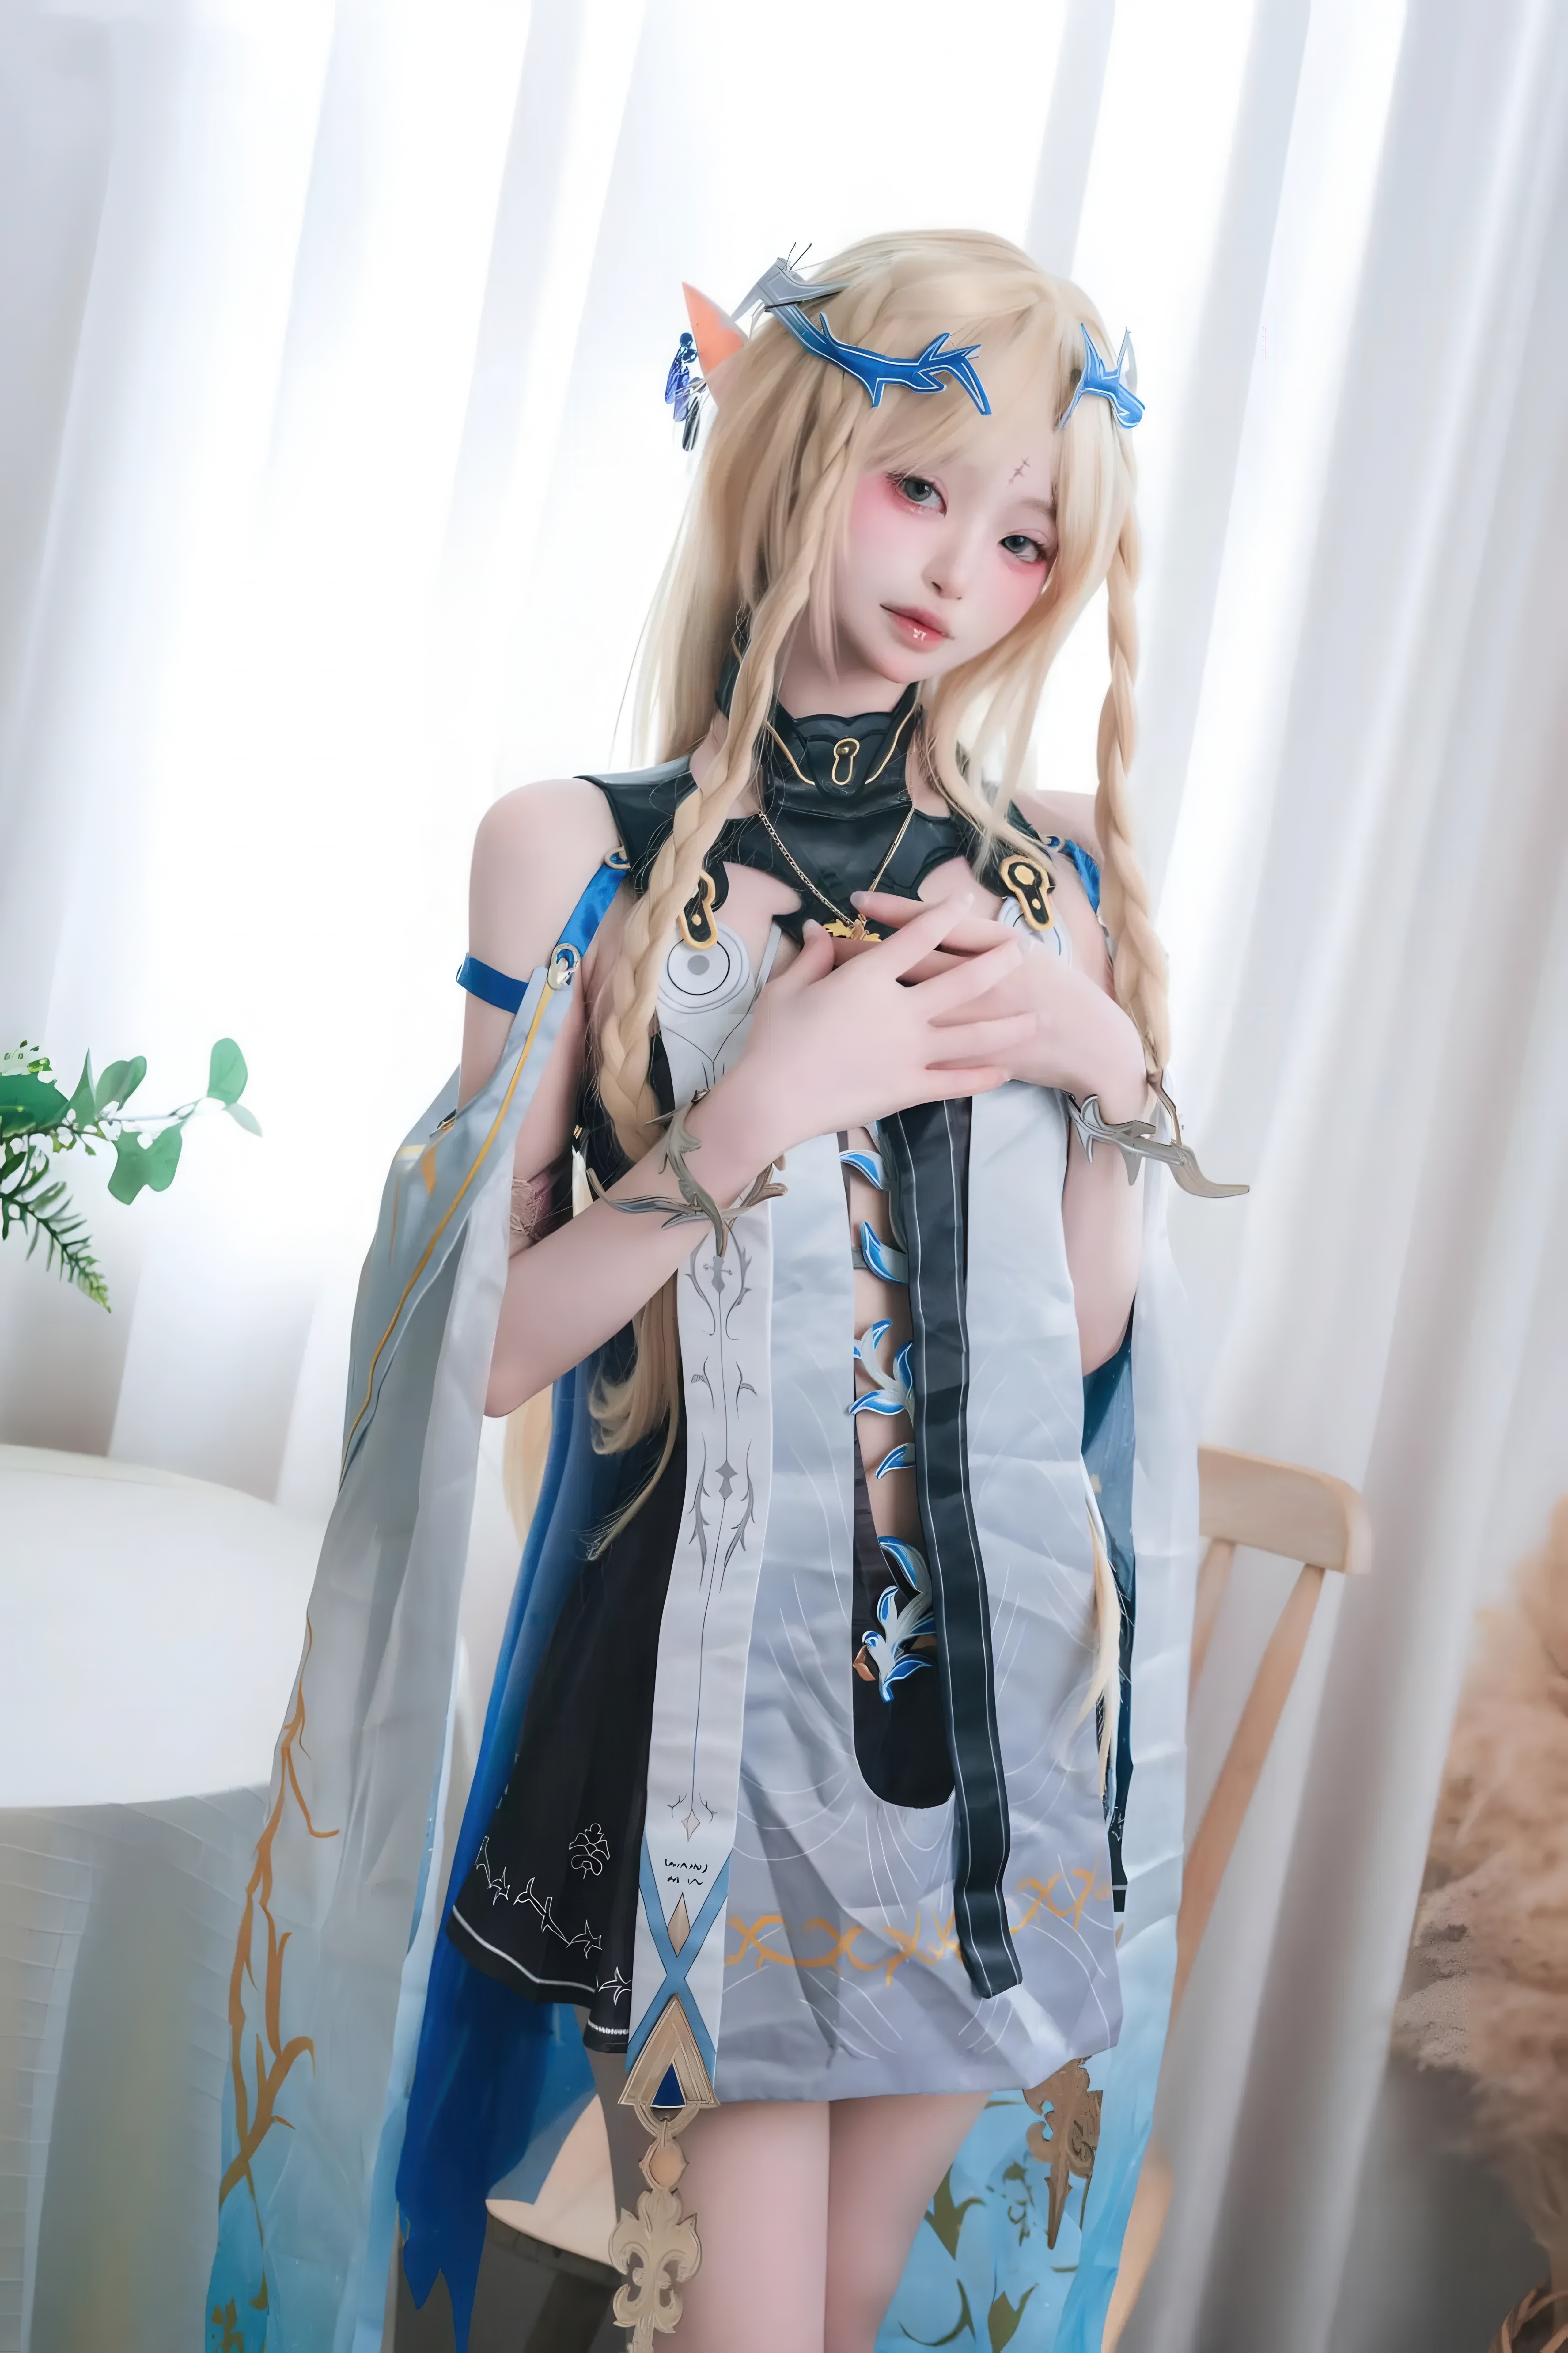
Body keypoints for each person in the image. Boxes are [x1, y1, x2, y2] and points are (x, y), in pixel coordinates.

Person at [208, 230, 1216, 2353]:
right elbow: (477, 1352)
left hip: (983, 1739)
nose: (961, 569)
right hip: (697, 1727)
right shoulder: (574, 850)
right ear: (791, 450)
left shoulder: (1044, 868)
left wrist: (1109, 1071)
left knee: (845, 2311)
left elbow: (1089, 1338)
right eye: (920, 487)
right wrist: (758, 1108)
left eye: (1023, 535)